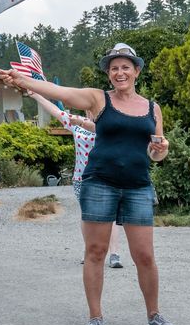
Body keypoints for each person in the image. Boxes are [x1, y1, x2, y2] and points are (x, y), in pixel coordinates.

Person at [0, 43, 177, 325]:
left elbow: (155, 154)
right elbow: (61, 93)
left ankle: (154, 314)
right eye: (114, 68)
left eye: (125, 67)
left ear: (137, 71)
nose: (120, 72)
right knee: (95, 251)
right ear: (108, 74)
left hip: (138, 186)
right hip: (100, 183)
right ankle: (95, 318)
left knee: (145, 255)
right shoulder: (97, 99)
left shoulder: (152, 108)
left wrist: (161, 150)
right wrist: (21, 80)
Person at [29, 91, 123, 268]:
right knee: (87, 217)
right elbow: (56, 111)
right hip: (81, 178)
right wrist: (36, 95)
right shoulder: (77, 124)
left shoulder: (110, 126)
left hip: (107, 178)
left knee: (110, 216)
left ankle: (114, 254)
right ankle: (89, 251)